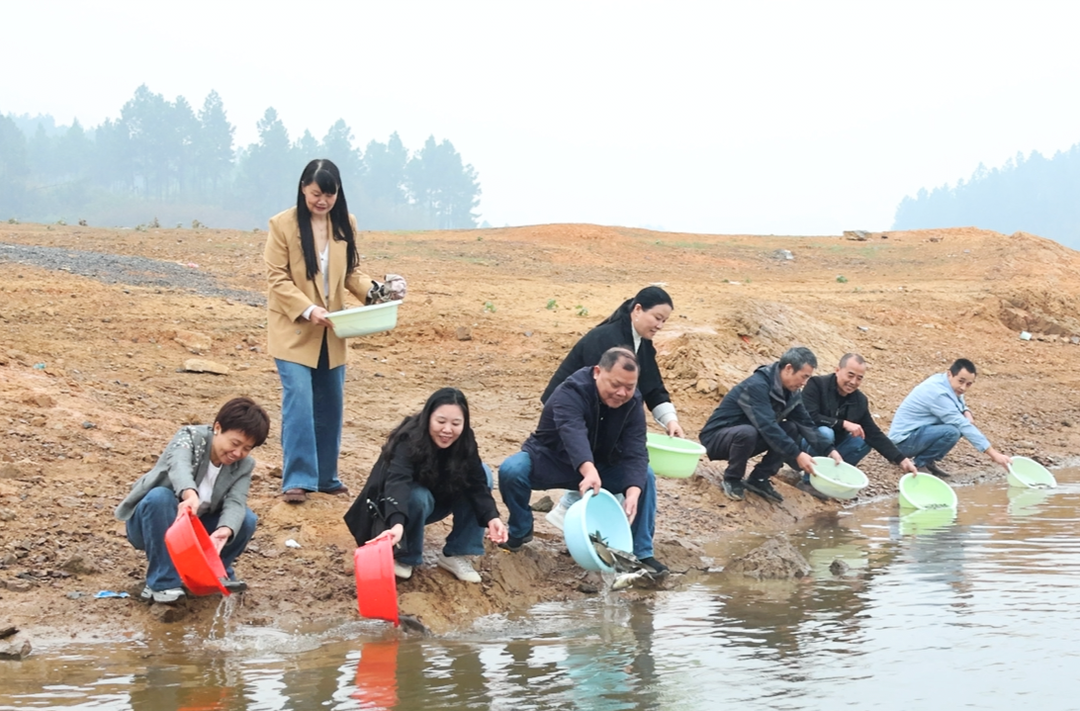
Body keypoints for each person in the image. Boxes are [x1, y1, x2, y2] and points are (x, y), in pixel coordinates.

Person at [265, 158, 405, 504]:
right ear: (303, 189)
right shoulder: (282, 225)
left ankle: (326, 477)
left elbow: (351, 273)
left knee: (331, 405)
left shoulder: (345, 224)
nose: (322, 201)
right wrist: (309, 309)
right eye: (316, 194)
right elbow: (277, 279)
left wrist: (378, 292)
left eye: (329, 195)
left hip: (334, 329)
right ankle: (297, 478)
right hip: (295, 330)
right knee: (299, 401)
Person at [498, 347, 668, 575]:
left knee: (643, 476)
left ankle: (641, 552)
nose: (621, 393)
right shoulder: (571, 391)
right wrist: (588, 470)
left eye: (629, 387)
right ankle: (520, 530)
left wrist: (633, 492)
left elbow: (635, 449)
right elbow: (572, 432)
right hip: (553, 459)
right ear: (598, 372)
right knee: (512, 470)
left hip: (602, 467)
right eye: (615, 385)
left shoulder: (632, 401)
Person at [540, 286, 683, 529]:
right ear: (637, 310)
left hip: (602, 415)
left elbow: (653, 386)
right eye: (657, 318)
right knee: (608, 453)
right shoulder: (606, 341)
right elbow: (595, 397)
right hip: (569, 412)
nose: (660, 325)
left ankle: (587, 517)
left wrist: (670, 420)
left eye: (664, 321)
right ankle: (570, 507)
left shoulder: (642, 345)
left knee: (627, 460)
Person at [115, 397, 271, 604]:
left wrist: (225, 529)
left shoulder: (244, 465)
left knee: (245, 519)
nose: (238, 453)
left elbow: (236, 501)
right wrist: (189, 494)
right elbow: (179, 466)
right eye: (235, 443)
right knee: (159, 497)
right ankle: (162, 582)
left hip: (195, 530)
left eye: (246, 448)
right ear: (218, 427)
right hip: (154, 522)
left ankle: (214, 574)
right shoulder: (189, 437)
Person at [344, 388, 508, 583]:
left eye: (456, 423)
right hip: (399, 506)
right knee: (418, 496)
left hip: (437, 501)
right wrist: (396, 524)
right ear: (428, 417)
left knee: (485, 473)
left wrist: (492, 517)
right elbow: (397, 482)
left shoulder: (465, 440)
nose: (447, 430)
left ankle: (457, 553)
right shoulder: (408, 438)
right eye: (441, 422)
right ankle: (405, 556)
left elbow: (477, 483)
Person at [698, 346, 842, 503]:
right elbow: (767, 426)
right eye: (803, 377)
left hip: (749, 438)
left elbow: (805, 422)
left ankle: (759, 479)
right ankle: (732, 478)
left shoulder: (792, 392)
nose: (804, 383)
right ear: (788, 368)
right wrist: (797, 454)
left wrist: (829, 450)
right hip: (718, 438)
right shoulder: (757, 385)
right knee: (749, 432)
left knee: (791, 428)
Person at [888, 359, 1012, 477]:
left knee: (955, 427)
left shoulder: (943, 381)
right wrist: (993, 454)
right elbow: (962, 424)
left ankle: (928, 461)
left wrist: (965, 410)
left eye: (968, 384)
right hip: (901, 444)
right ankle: (919, 464)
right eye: (961, 381)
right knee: (953, 431)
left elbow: (958, 397)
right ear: (949, 374)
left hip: (917, 432)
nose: (963, 387)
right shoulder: (937, 394)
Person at [802, 353, 918, 476]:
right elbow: (809, 417)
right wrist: (842, 424)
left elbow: (873, 432)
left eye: (859, 378)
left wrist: (901, 459)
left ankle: (833, 476)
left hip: (836, 444)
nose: (853, 382)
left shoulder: (859, 400)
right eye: (850, 375)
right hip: (809, 439)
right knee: (826, 432)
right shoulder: (817, 385)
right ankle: (809, 480)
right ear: (838, 370)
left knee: (863, 440)